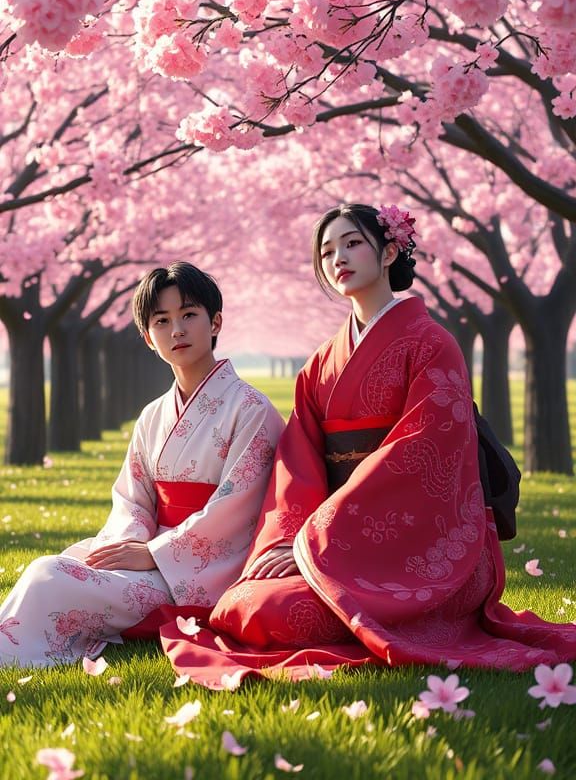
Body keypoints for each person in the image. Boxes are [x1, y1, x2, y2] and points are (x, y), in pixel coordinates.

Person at [161, 204, 576, 687]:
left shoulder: (432, 343)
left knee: (280, 612)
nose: (338, 258)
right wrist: (288, 542)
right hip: (332, 539)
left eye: (352, 243)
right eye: (327, 251)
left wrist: (321, 536)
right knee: (241, 606)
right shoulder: (319, 364)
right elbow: (298, 465)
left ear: (390, 251)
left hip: (417, 546)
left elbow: (422, 454)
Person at [0, 262, 285, 667]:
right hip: (149, 552)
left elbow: (236, 508)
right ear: (148, 338)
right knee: (51, 566)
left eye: (189, 315)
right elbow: (132, 497)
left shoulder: (252, 409)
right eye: (162, 321)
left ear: (215, 322)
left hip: (197, 572)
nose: (177, 331)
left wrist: (154, 552)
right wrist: (128, 547)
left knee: (51, 579)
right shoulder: (153, 414)